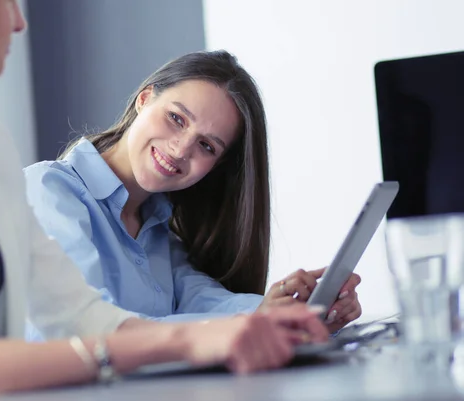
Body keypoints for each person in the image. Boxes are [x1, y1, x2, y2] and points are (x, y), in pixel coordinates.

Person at [0, 1, 329, 400]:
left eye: (207, 146)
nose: (20, 23)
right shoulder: (48, 188)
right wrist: (190, 341)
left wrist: (271, 318)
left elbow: (80, 314)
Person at [24, 50, 362, 335]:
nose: (181, 149)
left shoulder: (157, 226)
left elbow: (202, 300)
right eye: (176, 118)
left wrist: (292, 309)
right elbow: (89, 329)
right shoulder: (49, 192)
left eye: (206, 146)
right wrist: (250, 324)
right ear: (144, 99)